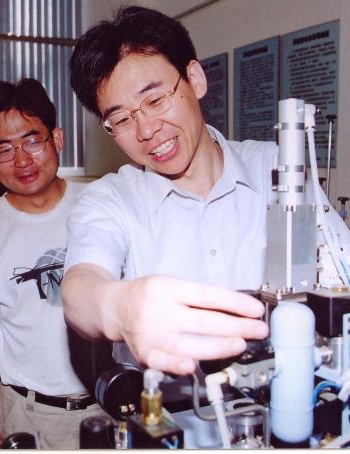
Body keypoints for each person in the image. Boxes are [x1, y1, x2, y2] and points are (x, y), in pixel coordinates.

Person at [62, 6, 274, 377]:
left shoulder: (274, 169)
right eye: (121, 119)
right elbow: (80, 287)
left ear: (195, 79)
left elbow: (349, 277)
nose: (146, 131)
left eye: (156, 100)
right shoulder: (110, 199)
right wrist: (123, 308)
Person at [0, 78, 105, 449]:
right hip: (29, 414)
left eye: (32, 141)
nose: (22, 160)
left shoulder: (102, 205)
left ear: (57, 139)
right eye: (4, 149)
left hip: (111, 404)